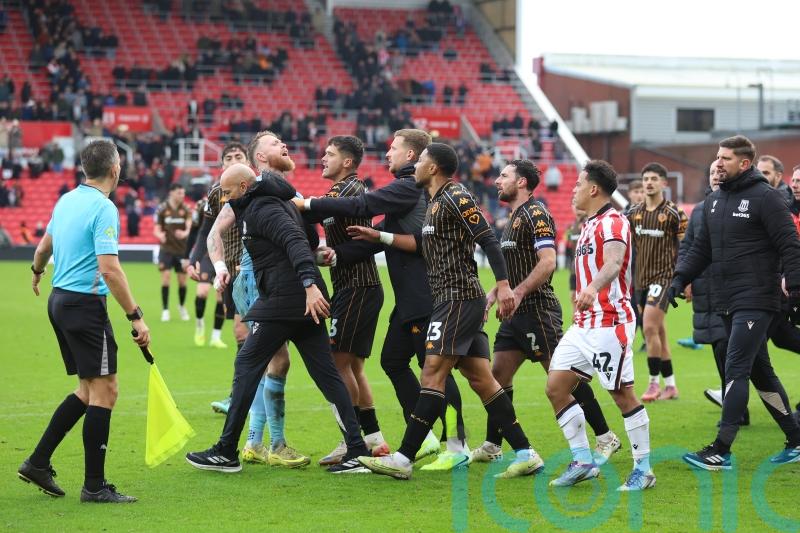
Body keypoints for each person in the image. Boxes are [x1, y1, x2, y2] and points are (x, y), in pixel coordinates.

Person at [352, 143, 545, 480]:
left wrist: (502, 285)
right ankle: (527, 453)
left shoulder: (456, 196)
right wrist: (378, 235)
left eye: (420, 162)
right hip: (450, 300)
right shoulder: (434, 202)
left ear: (434, 167)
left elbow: (487, 238)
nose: (414, 169)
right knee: (481, 380)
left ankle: (403, 459)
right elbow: (424, 246)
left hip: (457, 299)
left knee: (432, 374)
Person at [294, 129, 470, 470]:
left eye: (394, 148)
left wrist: (307, 204)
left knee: (436, 370)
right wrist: (337, 255)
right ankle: (424, 436)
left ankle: (456, 443)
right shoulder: (408, 192)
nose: (387, 154)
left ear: (411, 156)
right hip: (406, 297)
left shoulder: (408, 187)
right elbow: (379, 240)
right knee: (393, 361)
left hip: (425, 293)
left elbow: (364, 206)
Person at [185, 163, 371, 474]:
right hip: (299, 299)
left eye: (228, 192)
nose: (225, 199)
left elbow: (296, 242)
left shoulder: (262, 208)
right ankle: (356, 448)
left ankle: (226, 450)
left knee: (247, 363)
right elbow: (309, 237)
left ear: (244, 187)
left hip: (287, 299)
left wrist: (310, 285)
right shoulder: (279, 201)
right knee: (325, 373)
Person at [18, 139, 150, 503]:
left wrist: (36, 271)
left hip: (59, 301)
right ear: (114, 169)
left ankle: (38, 462)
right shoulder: (103, 208)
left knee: (88, 390)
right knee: (107, 391)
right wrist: (135, 316)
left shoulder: (66, 200)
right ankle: (94, 486)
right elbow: (110, 269)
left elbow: (44, 246)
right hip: (85, 307)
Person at [471, 160, 621, 466]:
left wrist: (519, 291)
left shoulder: (536, 213)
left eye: (504, 176)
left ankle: (606, 436)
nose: (497, 181)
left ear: (522, 182)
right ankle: (492, 444)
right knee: (497, 375)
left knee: (563, 378)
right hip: (514, 314)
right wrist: (494, 294)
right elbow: (513, 271)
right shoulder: (511, 216)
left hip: (538, 311)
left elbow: (549, 261)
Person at [672, 135, 800, 470]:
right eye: (717, 156)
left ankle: (721, 449)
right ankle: (797, 439)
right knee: (761, 374)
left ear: (744, 164)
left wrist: (797, 287)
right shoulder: (716, 201)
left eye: (726, 158)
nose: (718, 163)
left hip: (758, 298)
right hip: (728, 299)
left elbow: (790, 245)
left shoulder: (766, 198)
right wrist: (679, 278)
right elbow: (701, 249)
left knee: (736, 366)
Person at [545, 159, 655, 491]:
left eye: (578, 184)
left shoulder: (613, 222)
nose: (573, 190)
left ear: (593, 189)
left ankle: (644, 470)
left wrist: (592, 288)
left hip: (611, 322)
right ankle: (581, 461)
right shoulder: (589, 224)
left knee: (622, 394)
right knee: (556, 387)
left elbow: (614, 262)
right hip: (584, 325)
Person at [201, 134, 308, 467]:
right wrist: (219, 267)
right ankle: (271, 443)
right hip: (257, 282)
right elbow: (213, 232)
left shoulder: (283, 190)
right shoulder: (250, 191)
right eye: (276, 143)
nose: (285, 146)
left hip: (270, 281)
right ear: (260, 157)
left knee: (271, 359)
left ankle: (255, 443)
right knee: (276, 359)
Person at [304, 136, 390, 464]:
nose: (323, 158)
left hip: (357, 287)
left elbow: (321, 212)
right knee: (353, 366)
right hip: (357, 287)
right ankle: (375, 441)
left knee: (337, 364)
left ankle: (350, 441)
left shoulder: (349, 190)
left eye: (330, 154)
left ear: (348, 162)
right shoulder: (338, 193)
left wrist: (301, 204)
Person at [187, 142, 250, 412]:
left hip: (254, 269)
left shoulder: (259, 188)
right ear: (222, 164)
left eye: (239, 156)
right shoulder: (216, 194)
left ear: (248, 161)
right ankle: (244, 395)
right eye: (229, 157)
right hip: (229, 270)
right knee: (244, 333)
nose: (234, 160)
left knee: (243, 331)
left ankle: (240, 397)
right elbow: (205, 230)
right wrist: (193, 260)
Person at [626, 163, 687, 402]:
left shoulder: (674, 213)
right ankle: (671, 386)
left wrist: (686, 280)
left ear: (664, 183)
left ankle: (653, 384)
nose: (649, 182)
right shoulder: (633, 213)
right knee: (658, 332)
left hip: (664, 278)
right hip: (640, 281)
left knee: (649, 327)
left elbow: (688, 246)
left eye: (654, 178)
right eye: (646, 179)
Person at [185, 191, 226, 348]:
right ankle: (200, 324)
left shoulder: (241, 196)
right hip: (209, 254)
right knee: (202, 292)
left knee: (221, 297)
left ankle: (216, 336)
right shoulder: (205, 203)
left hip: (227, 254)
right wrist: (191, 259)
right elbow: (199, 232)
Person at [154, 183, 191, 322]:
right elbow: (156, 228)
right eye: (179, 193)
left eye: (183, 193)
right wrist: (160, 235)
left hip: (182, 250)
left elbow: (188, 226)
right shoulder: (162, 209)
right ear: (172, 193)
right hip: (166, 250)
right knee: (166, 277)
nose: (182, 196)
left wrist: (185, 232)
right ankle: (165, 310)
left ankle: (181, 306)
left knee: (182, 281)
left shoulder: (186, 209)